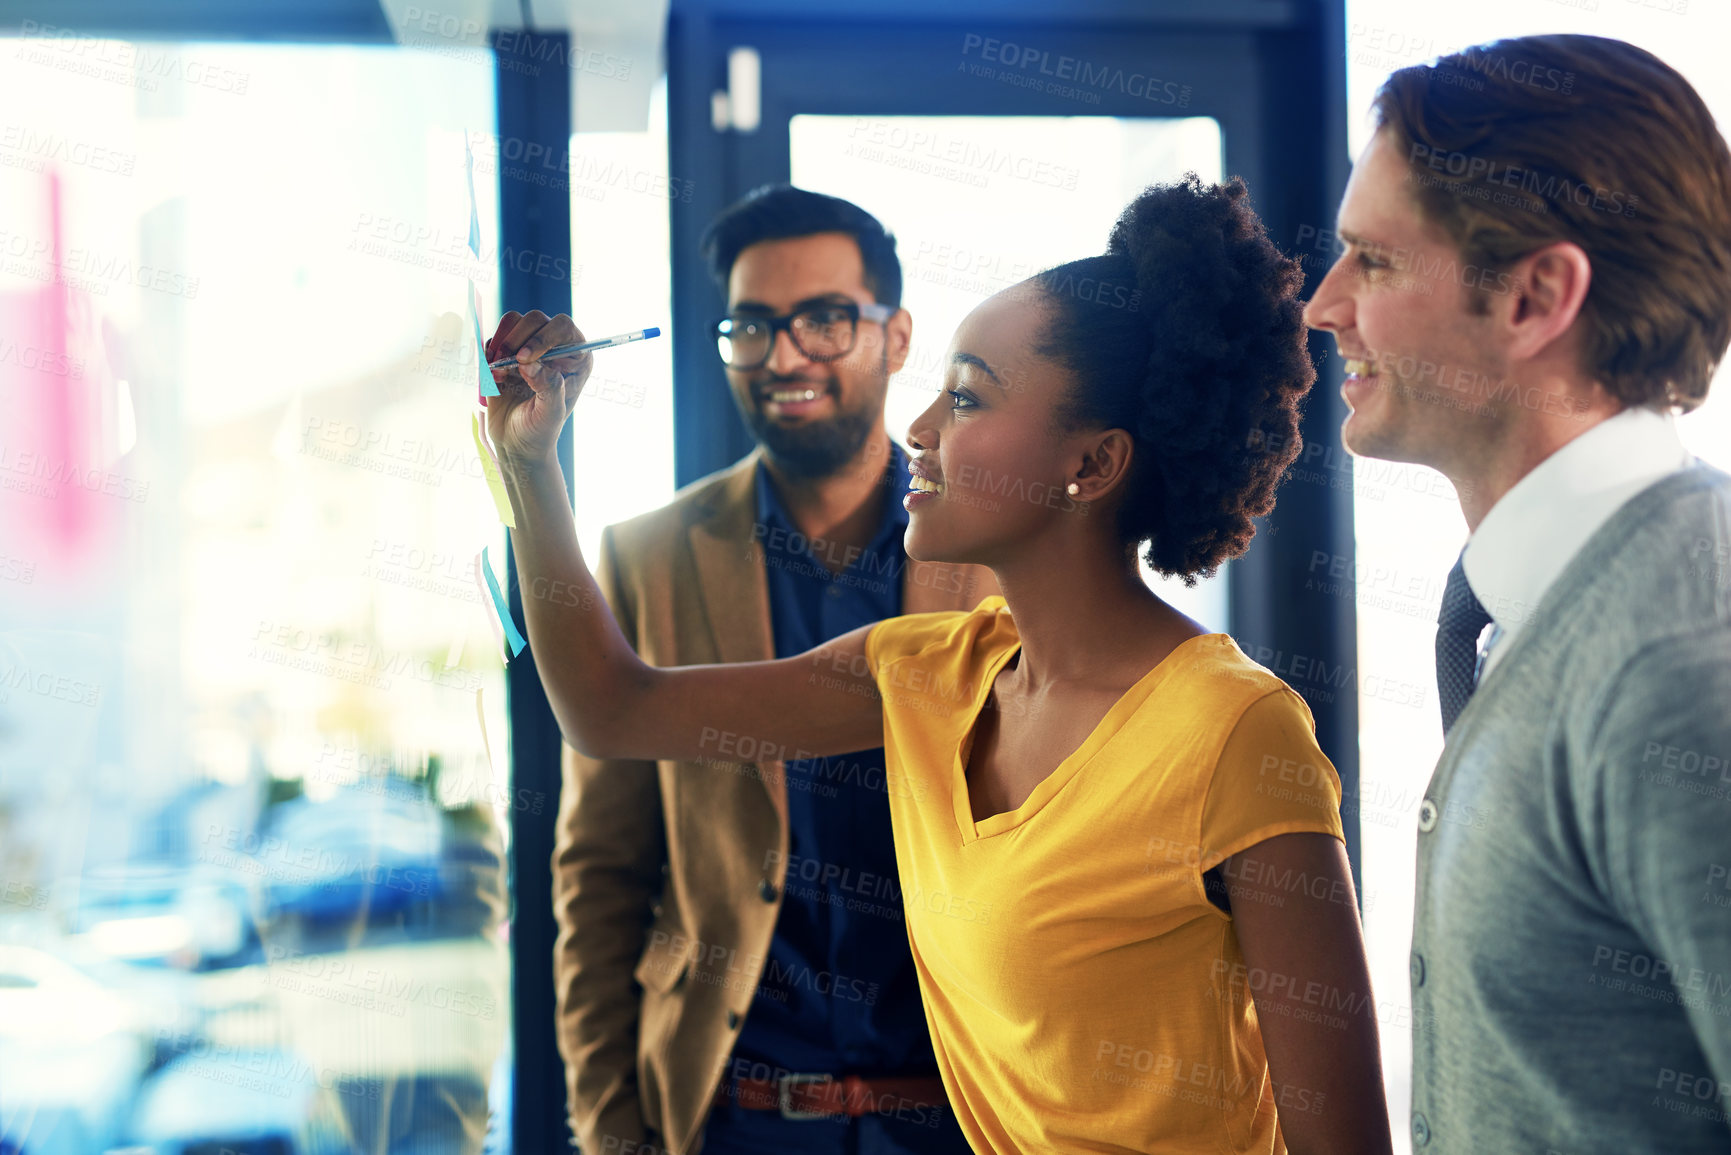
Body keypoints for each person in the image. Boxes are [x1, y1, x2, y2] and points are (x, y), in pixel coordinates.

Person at [496, 175, 1394, 1154]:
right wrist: (533, 467)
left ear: (1091, 465)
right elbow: (614, 710)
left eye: (966, 397)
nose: (919, 429)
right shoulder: (925, 674)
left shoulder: (1233, 730)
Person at [1303, 34, 1731, 1155]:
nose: (1323, 305)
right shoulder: (1541, 606)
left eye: (1375, 263)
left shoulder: (1687, 665)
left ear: (1537, 295)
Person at [550, 185, 994, 1155]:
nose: (785, 356)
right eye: (753, 326)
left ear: (898, 334)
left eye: (825, 320)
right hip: (731, 1119)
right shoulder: (648, 557)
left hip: (965, 1114)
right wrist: (609, 1131)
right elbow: (601, 872)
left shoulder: (997, 558)